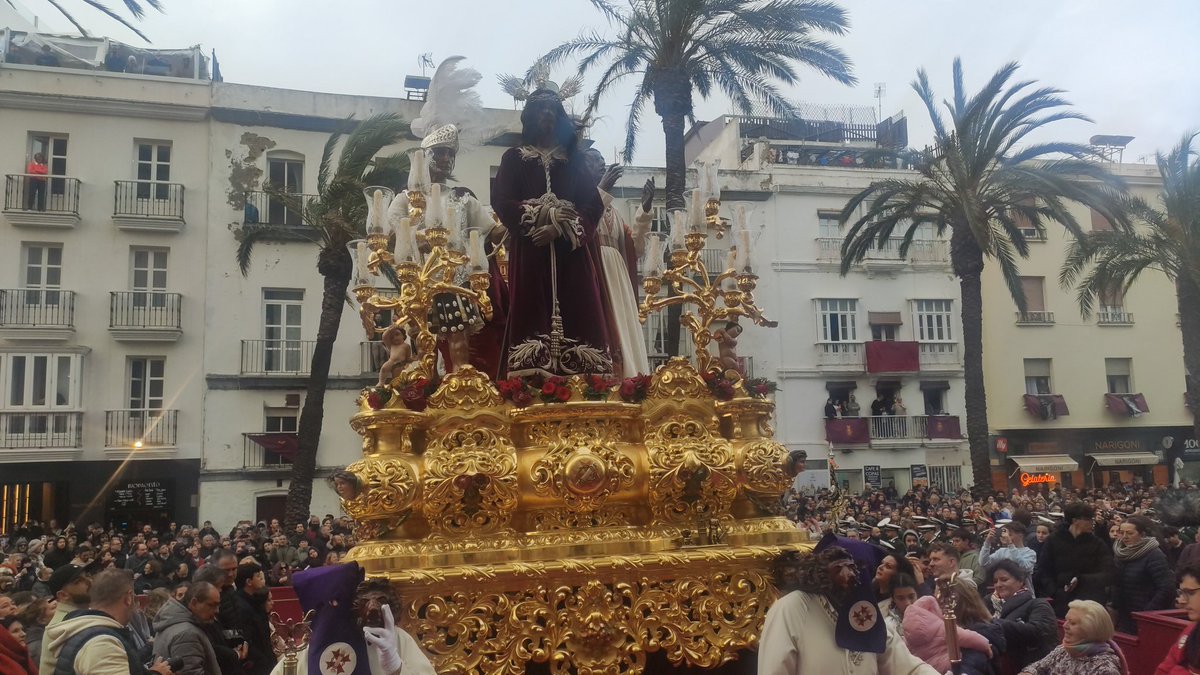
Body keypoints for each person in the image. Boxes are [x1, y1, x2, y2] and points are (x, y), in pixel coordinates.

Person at [492, 87, 612, 377]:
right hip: (531, 252)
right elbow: (501, 201)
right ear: (531, 116)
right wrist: (540, 217)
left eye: (552, 109)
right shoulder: (514, 158)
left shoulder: (574, 161)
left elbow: (593, 206)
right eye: (541, 109)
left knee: (580, 308)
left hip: (571, 254)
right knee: (532, 309)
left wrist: (560, 227)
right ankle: (532, 379)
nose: (547, 114)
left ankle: (586, 382)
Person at [758, 539, 940, 675]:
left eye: (852, 568)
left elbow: (907, 667)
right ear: (820, 574)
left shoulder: (861, 607)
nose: (848, 576)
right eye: (838, 569)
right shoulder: (791, 608)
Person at [269, 563, 434, 675]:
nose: (332, 611)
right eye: (325, 606)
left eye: (337, 602)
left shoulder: (391, 639)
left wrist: (397, 668)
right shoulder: (309, 648)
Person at [584, 149, 652, 378]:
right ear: (583, 168)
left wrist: (645, 210)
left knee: (625, 324)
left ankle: (633, 376)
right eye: (595, 161)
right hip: (595, 272)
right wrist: (601, 191)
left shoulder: (615, 212)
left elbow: (635, 248)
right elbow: (583, 228)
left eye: (603, 161)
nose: (602, 164)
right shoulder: (582, 201)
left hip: (618, 275)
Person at [42, 569, 173, 675]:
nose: (87, 581)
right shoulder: (102, 642)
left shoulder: (86, 628)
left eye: (87, 576)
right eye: (78, 581)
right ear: (128, 598)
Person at [1034, 502, 1113, 617]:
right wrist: (1055, 592)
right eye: (1088, 519)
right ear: (1075, 520)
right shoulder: (1054, 540)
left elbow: (1109, 572)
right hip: (1062, 603)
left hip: (1091, 602)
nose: (1092, 522)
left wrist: (1082, 580)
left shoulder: (1097, 543)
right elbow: (1043, 570)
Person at [1018, 600, 1127, 675]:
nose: (1065, 626)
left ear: (1090, 630)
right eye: (1066, 620)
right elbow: (1038, 667)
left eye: (1073, 623)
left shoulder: (1105, 667)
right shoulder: (1063, 650)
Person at [985, 559, 1057, 672]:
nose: (998, 585)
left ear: (1020, 581)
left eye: (1004, 579)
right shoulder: (988, 605)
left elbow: (1039, 632)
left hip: (1029, 668)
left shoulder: (1038, 604)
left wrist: (992, 622)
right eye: (995, 581)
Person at [1111, 515, 1174, 634]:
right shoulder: (1120, 554)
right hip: (1124, 614)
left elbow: (1166, 587)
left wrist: (1148, 611)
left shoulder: (1154, 554)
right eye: (1122, 532)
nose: (1125, 537)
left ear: (1142, 534)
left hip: (1144, 615)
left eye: (1129, 533)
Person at [153, 582, 224, 675]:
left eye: (218, 605)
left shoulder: (174, 624)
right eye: (211, 605)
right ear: (194, 603)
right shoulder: (186, 633)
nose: (216, 610)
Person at [1155, 561, 1200, 674]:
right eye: (1181, 593)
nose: (1182, 601)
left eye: (1190, 593)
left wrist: (1177, 671)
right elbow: (1164, 669)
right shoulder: (1190, 631)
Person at [230, 563, 274, 675]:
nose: (262, 580)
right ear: (249, 582)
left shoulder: (255, 600)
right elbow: (246, 638)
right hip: (256, 664)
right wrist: (261, 659)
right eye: (258, 577)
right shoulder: (240, 605)